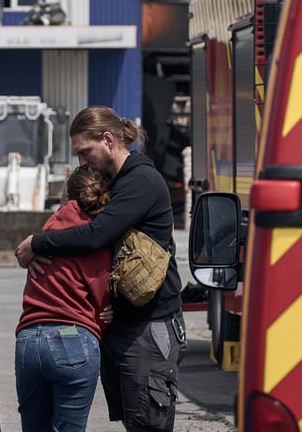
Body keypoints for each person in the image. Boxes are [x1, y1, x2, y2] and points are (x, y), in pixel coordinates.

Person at [16, 106, 186, 432]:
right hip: (122, 329)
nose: (82, 162)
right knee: (135, 420)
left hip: (148, 328)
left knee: (148, 423)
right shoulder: (117, 182)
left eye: (85, 151)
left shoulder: (140, 180)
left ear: (108, 140)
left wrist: (37, 245)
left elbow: (97, 236)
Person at [15, 164, 113, 432]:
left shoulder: (44, 239)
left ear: (65, 198)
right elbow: (104, 301)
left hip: (28, 341)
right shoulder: (95, 242)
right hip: (74, 338)